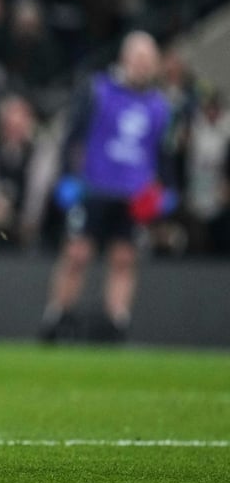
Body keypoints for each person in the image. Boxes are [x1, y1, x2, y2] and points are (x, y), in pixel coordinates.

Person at [39, 31, 172, 343]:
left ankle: (117, 324)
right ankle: (57, 317)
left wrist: (166, 189)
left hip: (134, 193)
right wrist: (66, 176)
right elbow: (73, 136)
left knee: (124, 258)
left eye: (148, 60)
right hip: (94, 187)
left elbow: (163, 153)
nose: (142, 65)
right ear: (125, 58)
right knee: (77, 254)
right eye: (138, 58)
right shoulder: (98, 90)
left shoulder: (159, 106)